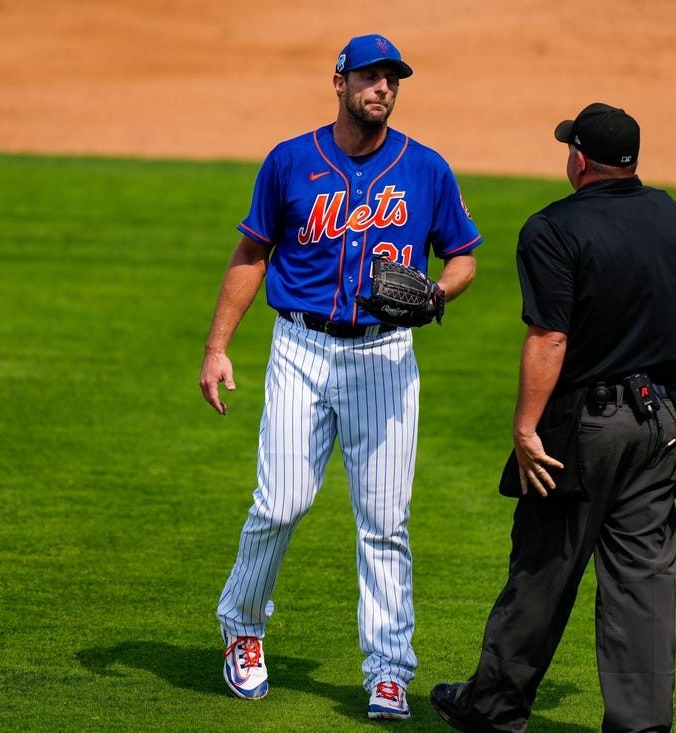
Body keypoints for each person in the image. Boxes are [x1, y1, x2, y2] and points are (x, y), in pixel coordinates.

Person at [198, 33, 481, 721]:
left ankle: (388, 670)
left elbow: (463, 256)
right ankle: (242, 625)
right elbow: (252, 251)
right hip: (300, 349)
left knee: (385, 522)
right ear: (340, 82)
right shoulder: (290, 161)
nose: (382, 88)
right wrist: (217, 346)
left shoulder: (426, 169)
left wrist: (437, 293)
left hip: (385, 358)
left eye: (392, 79)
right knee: (280, 502)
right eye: (370, 77)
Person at [429, 103, 676, 733]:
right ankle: (641, 725)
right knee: (643, 581)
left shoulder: (553, 228)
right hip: (662, 426)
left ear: (580, 160)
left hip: (585, 431)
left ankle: (494, 709)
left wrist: (525, 428)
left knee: (545, 568)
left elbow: (551, 338)